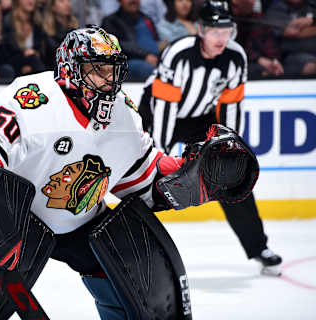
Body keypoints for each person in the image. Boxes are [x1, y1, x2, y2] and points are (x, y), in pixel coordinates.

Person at [0, 26, 258, 319]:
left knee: (133, 267)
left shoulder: (124, 116)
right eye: (98, 71)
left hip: (74, 218)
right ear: (70, 71)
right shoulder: (32, 99)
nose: (109, 82)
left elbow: (142, 181)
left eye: (113, 70)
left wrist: (185, 179)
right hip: (7, 216)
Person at [138, 0, 283, 275]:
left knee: (231, 173)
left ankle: (258, 247)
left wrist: (230, 148)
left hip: (199, 118)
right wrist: (159, 154)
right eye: (215, 31)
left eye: (226, 31)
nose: (221, 38)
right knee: (142, 177)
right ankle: (134, 246)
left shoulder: (235, 56)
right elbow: (164, 107)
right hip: (155, 113)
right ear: (201, 30)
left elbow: (232, 107)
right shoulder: (178, 53)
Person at [102, 0, 165, 80]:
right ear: (120, 1)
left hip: (155, 58)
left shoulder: (146, 19)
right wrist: (145, 55)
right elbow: (116, 45)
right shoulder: (111, 21)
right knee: (153, 71)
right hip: (129, 61)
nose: (133, 1)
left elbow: (156, 40)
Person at [231, 0, 284, 78]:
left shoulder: (258, 19)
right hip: (240, 66)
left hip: (264, 65)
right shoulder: (228, 21)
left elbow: (271, 46)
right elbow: (234, 50)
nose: (252, 1)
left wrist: (274, 61)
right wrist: (258, 59)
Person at [264, 0, 316, 75]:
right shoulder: (276, 8)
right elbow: (293, 32)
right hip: (291, 55)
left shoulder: (312, 4)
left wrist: (311, 21)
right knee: (312, 66)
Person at [2, 0, 54, 76]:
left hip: (35, 66)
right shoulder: (8, 22)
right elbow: (5, 54)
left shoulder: (38, 23)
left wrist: (36, 54)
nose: (31, 1)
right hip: (14, 67)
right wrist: (24, 56)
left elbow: (45, 51)